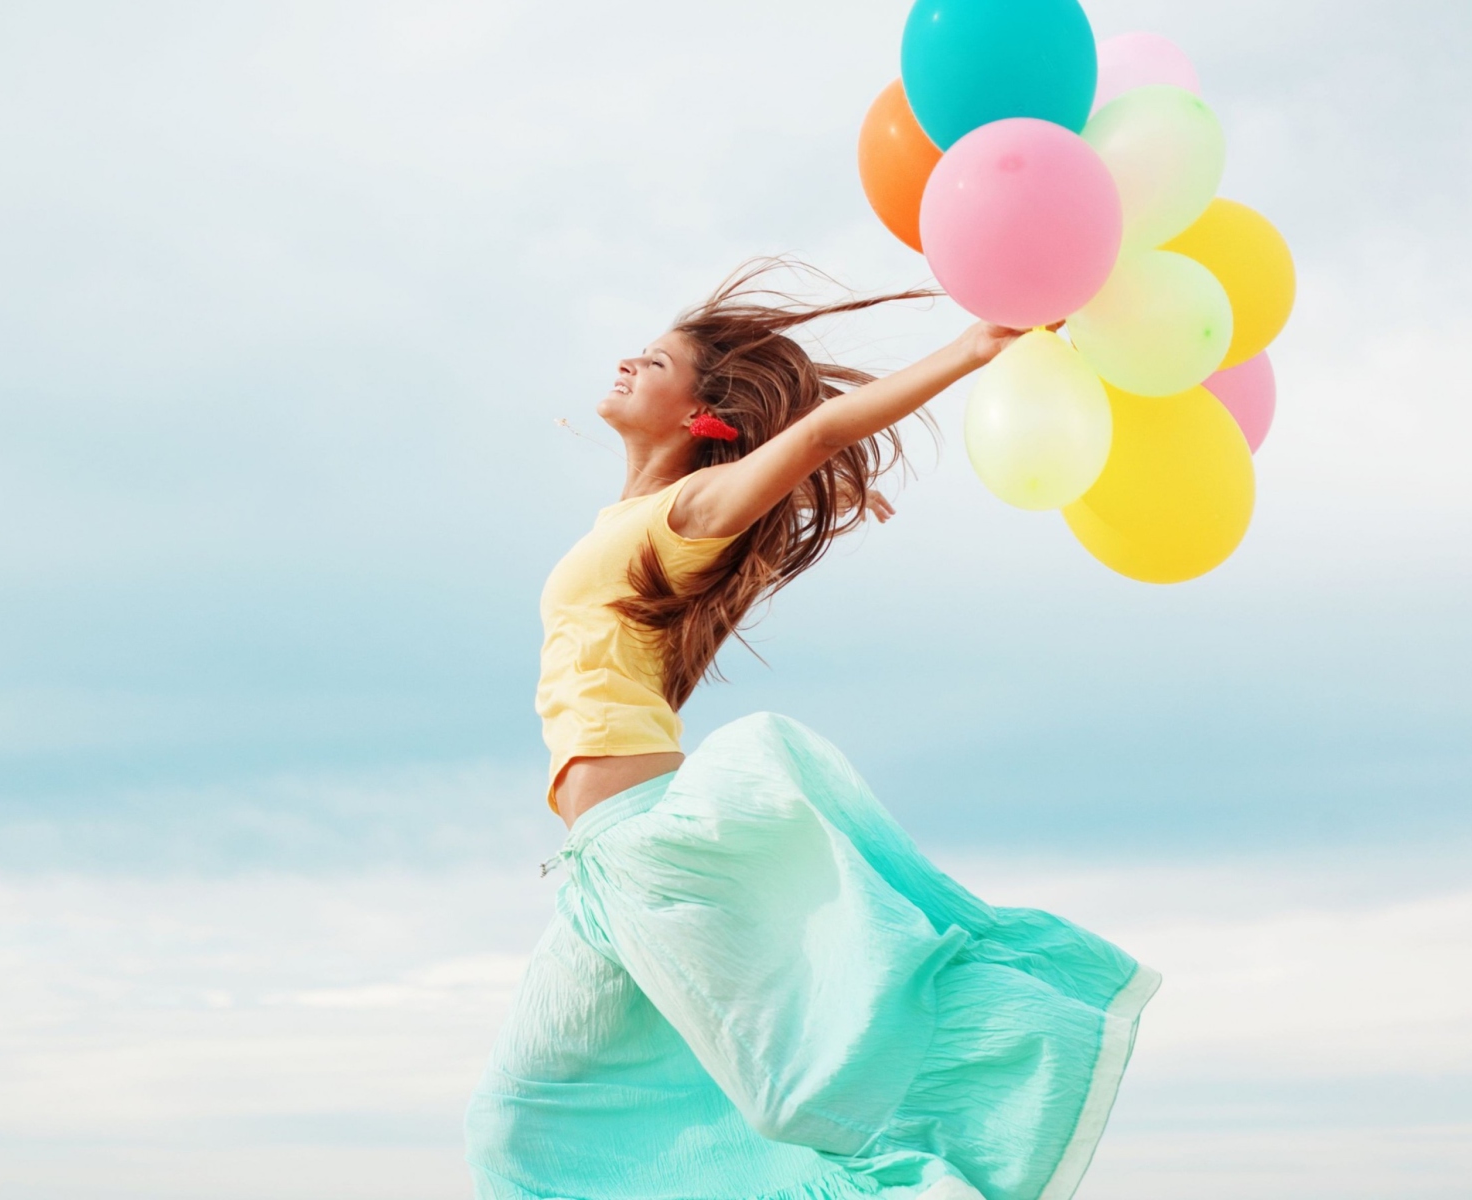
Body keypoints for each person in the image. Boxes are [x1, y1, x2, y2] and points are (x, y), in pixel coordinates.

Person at [465, 262, 1159, 1200]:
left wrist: (970, 347)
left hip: (648, 849)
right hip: (600, 869)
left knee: (723, 1105)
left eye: (657, 360)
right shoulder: (634, 521)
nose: (629, 361)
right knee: (546, 1128)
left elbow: (822, 428)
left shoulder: (685, 511)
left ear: (699, 416)